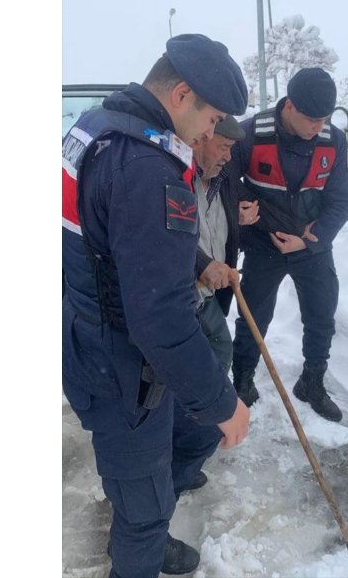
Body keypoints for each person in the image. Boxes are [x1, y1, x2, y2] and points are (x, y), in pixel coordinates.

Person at [61, 34, 251, 578]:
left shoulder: (96, 127)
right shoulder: (146, 167)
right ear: (182, 94)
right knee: (141, 507)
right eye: (213, 119)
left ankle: (147, 524)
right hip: (121, 367)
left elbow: (113, 231)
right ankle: (139, 546)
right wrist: (222, 401)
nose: (213, 133)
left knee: (179, 446)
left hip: (99, 335)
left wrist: (193, 262)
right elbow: (161, 319)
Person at [228, 67, 348, 422]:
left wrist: (310, 241)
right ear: (289, 107)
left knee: (321, 315)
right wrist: (239, 206)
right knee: (253, 316)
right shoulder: (251, 133)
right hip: (262, 246)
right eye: (312, 119)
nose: (319, 126)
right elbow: (223, 176)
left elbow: (342, 200)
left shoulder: (333, 141)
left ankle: (312, 381)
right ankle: (242, 380)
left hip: (311, 246)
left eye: (325, 118)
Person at [188, 115, 258, 374]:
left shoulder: (222, 176)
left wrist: (241, 213)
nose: (229, 157)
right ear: (199, 140)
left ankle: (211, 409)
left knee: (219, 350)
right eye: (224, 147)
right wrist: (203, 264)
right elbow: (162, 238)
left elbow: (247, 198)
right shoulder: (174, 178)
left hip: (208, 296)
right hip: (182, 298)